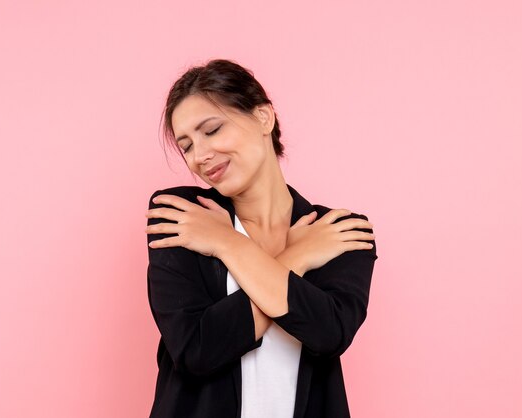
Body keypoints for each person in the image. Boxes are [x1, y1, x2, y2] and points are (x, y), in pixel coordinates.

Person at [145, 58, 378, 418]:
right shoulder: (182, 215)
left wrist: (227, 243)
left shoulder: (339, 232)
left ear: (263, 117)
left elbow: (328, 334)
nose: (200, 157)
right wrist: (296, 256)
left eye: (211, 130)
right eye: (187, 146)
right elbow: (196, 349)